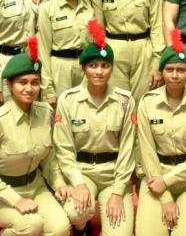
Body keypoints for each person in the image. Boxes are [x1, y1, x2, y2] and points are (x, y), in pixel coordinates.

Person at [0, 36, 76, 236]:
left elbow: (49, 159)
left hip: (34, 187)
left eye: (35, 83)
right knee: (32, 225)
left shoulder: (46, 112)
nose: (29, 89)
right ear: (10, 85)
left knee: (61, 228)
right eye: (22, 83)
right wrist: (16, 200)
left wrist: (59, 184)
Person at [53, 20, 136, 236]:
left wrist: (119, 192)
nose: (99, 71)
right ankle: (82, 227)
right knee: (75, 212)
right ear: (83, 68)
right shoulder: (68, 100)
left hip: (113, 174)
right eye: (93, 65)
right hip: (82, 171)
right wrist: (78, 183)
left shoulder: (125, 101)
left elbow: (128, 149)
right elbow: (63, 149)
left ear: (111, 68)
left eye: (104, 65)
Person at [135, 29, 186, 235]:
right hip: (156, 175)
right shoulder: (147, 102)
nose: (175, 75)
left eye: (181, 70)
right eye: (169, 69)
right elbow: (146, 151)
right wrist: (165, 196)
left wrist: (167, 182)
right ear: (161, 72)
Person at [38, 0, 94, 105]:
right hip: (60, 69)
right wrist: (48, 89)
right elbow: (43, 50)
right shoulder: (47, 8)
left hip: (85, 68)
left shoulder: (89, 5)